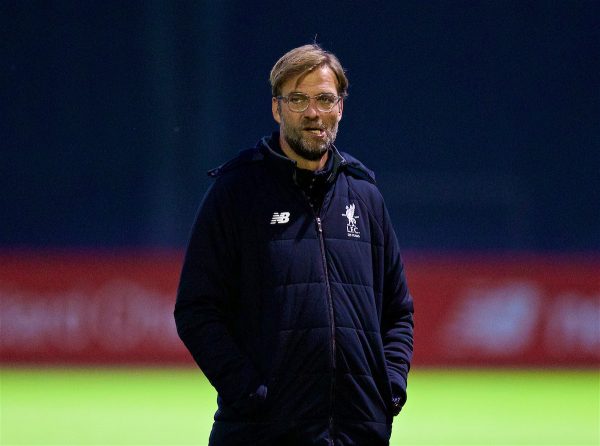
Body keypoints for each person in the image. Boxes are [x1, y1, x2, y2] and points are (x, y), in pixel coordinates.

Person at [174, 43, 414, 446]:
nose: (312, 113)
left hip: (358, 432)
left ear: (340, 107)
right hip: (263, 433)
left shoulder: (365, 194)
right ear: (276, 108)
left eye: (324, 99)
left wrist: (387, 387)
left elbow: (398, 310)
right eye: (298, 100)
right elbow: (197, 310)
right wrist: (249, 393)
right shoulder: (236, 192)